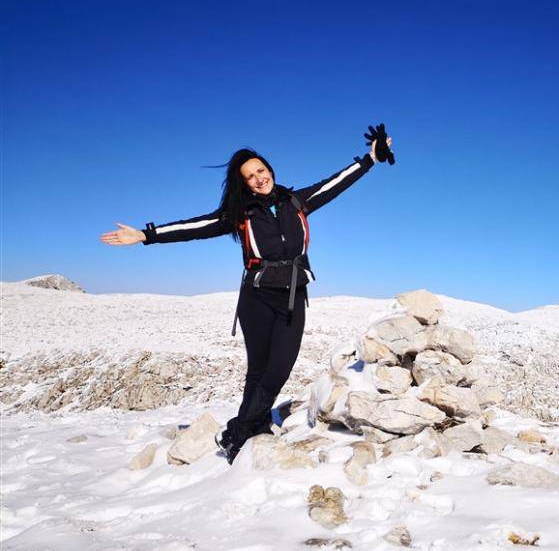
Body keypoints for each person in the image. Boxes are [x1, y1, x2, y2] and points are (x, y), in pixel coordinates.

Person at [100, 130, 393, 463]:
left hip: (293, 296)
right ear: (245, 184)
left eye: (261, 170)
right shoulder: (239, 215)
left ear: (270, 170)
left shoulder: (296, 201)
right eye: (250, 176)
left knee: (279, 368)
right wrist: (146, 235)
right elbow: (195, 227)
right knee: (258, 370)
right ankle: (252, 431)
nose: (259, 178)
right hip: (256, 298)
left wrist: (370, 159)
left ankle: (237, 432)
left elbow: (334, 184)